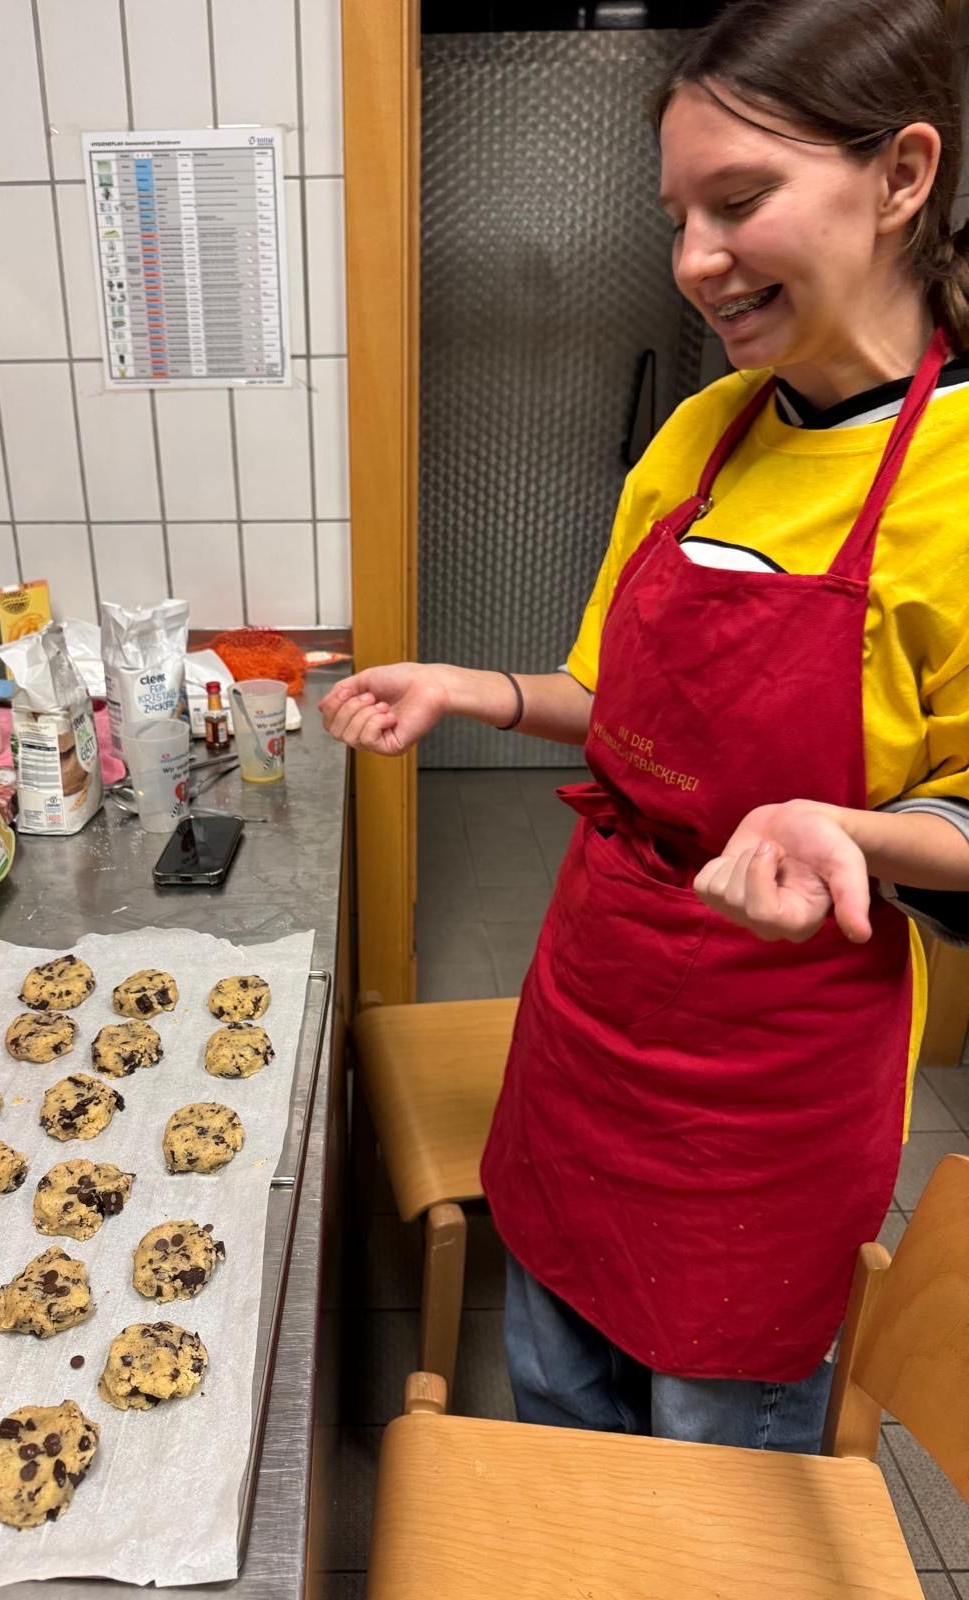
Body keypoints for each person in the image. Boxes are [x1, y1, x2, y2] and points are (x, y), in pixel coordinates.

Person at [321, 0, 969, 1453]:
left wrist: (842, 833)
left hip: (773, 1082)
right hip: (596, 1004)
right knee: (555, 1386)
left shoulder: (960, 482)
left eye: (738, 203)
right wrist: (471, 689)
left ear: (905, 175)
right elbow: (627, 711)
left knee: (710, 1447)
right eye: (676, 215)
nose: (693, 263)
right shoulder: (704, 437)